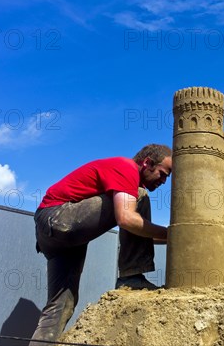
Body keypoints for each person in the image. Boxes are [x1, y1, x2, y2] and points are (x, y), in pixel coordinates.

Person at [29, 144, 172, 345]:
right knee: (139, 197)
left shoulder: (124, 180)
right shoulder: (126, 168)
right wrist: (174, 233)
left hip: (58, 239)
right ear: (147, 162)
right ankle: (131, 276)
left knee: (60, 307)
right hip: (57, 217)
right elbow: (125, 218)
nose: (164, 181)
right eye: (163, 173)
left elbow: (138, 232)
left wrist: (176, 240)